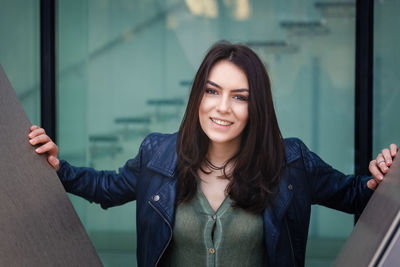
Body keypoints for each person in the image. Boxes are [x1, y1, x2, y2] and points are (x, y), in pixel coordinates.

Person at [28, 42, 397, 267]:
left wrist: (384, 176)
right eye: (212, 91)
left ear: (257, 107)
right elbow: (106, 187)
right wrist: (59, 168)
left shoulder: (291, 163)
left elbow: (357, 195)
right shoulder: (157, 155)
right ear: (198, 97)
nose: (222, 108)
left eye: (240, 97)